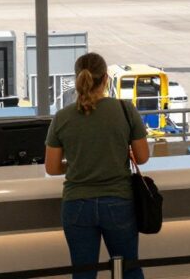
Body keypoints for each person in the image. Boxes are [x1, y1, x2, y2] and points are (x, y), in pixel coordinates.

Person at [44, 52, 149, 279]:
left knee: (83, 274)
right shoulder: (125, 109)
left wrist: (77, 164)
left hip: (76, 205)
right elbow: (142, 157)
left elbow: (51, 168)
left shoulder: (62, 117)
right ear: (105, 80)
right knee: (128, 270)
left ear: (77, 79)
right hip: (118, 201)